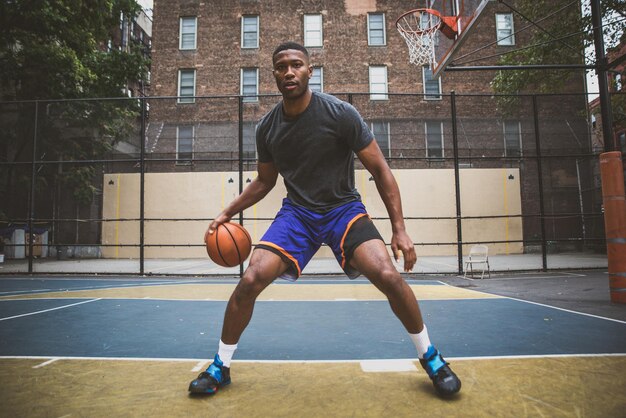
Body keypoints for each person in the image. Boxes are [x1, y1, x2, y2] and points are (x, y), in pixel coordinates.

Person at [189, 41, 461, 398]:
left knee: (387, 275)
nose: (289, 72)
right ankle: (220, 365)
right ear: (273, 74)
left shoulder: (339, 113)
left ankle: (431, 356)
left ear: (309, 71)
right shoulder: (267, 128)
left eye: (296, 65)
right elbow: (265, 181)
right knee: (251, 278)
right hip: (298, 214)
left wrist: (399, 229)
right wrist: (227, 211)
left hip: (342, 209)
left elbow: (380, 170)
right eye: (282, 66)